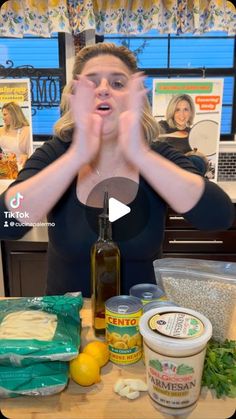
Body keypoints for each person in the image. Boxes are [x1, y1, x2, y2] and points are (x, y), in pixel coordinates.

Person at [0, 43, 234, 297]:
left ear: (135, 98)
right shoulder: (54, 153)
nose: (103, 89)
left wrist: (139, 154)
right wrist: (77, 155)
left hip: (141, 323)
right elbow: (7, 224)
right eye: (92, 83)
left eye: (118, 84)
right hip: (68, 326)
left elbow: (218, 216)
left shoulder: (158, 156)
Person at [0, 102, 31, 171]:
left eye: (5, 114)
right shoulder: (1, 130)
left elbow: (31, 153)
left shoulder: (27, 130)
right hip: (5, 169)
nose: (3, 117)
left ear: (13, 114)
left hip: (21, 168)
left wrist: (27, 156)